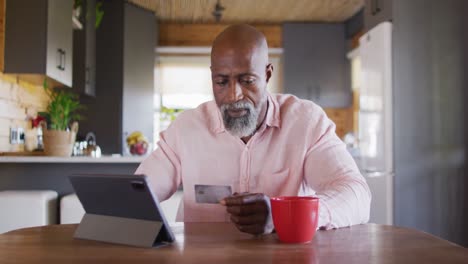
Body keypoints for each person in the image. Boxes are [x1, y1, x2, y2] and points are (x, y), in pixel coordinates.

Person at [136, 24, 371, 235]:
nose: (233, 96)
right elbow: (139, 193)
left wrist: (283, 215)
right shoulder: (186, 128)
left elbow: (356, 194)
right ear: (212, 77)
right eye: (221, 82)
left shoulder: (306, 123)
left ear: (267, 74)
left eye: (247, 80)